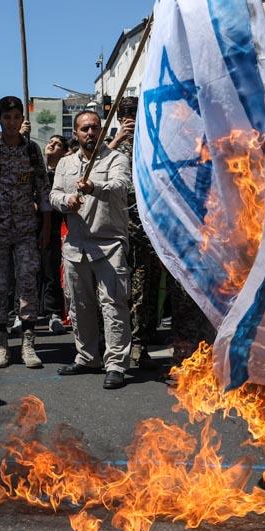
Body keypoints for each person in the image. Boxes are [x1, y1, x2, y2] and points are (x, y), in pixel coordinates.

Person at [52, 111, 132, 389]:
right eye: (84, 128)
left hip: (108, 244)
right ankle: (87, 357)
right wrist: (66, 200)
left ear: (101, 131)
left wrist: (94, 186)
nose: (90, 132)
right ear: (75, 132)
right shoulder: (64, 163)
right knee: (79, 305)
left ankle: (116, 364)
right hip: (75, 246)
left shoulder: (116, 159)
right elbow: (54, 195)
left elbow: (121, 186)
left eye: (95, 128)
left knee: (113, 305)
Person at [0, 96, 52, 369]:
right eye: (7, 117)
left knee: (28, 282)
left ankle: (28, 344)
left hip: (26, 230)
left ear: (22, 120)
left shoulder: (31, 150)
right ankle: (2, 346)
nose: (12, 122)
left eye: (16, 117)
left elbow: (43, 192)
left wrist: (45, 229)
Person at [109, 96, 160, 369]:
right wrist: (117, 140)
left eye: (134, 112)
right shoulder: (108, 145)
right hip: (115, 229)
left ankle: (140, 343)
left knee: (143, 288)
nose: (130, 117)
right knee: (115, 289)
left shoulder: (150, 143)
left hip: (144, 229)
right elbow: (94, 172)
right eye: (125, 113)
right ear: (118, 117)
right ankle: (117, 343)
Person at [40, 134, 69, 334]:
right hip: (31, 225)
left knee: (51, 271)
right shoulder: (36, 169)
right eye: (51, 141)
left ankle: (53, 313)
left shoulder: (64, 173)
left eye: (58, 144)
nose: (52, 144)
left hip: (54, 228)